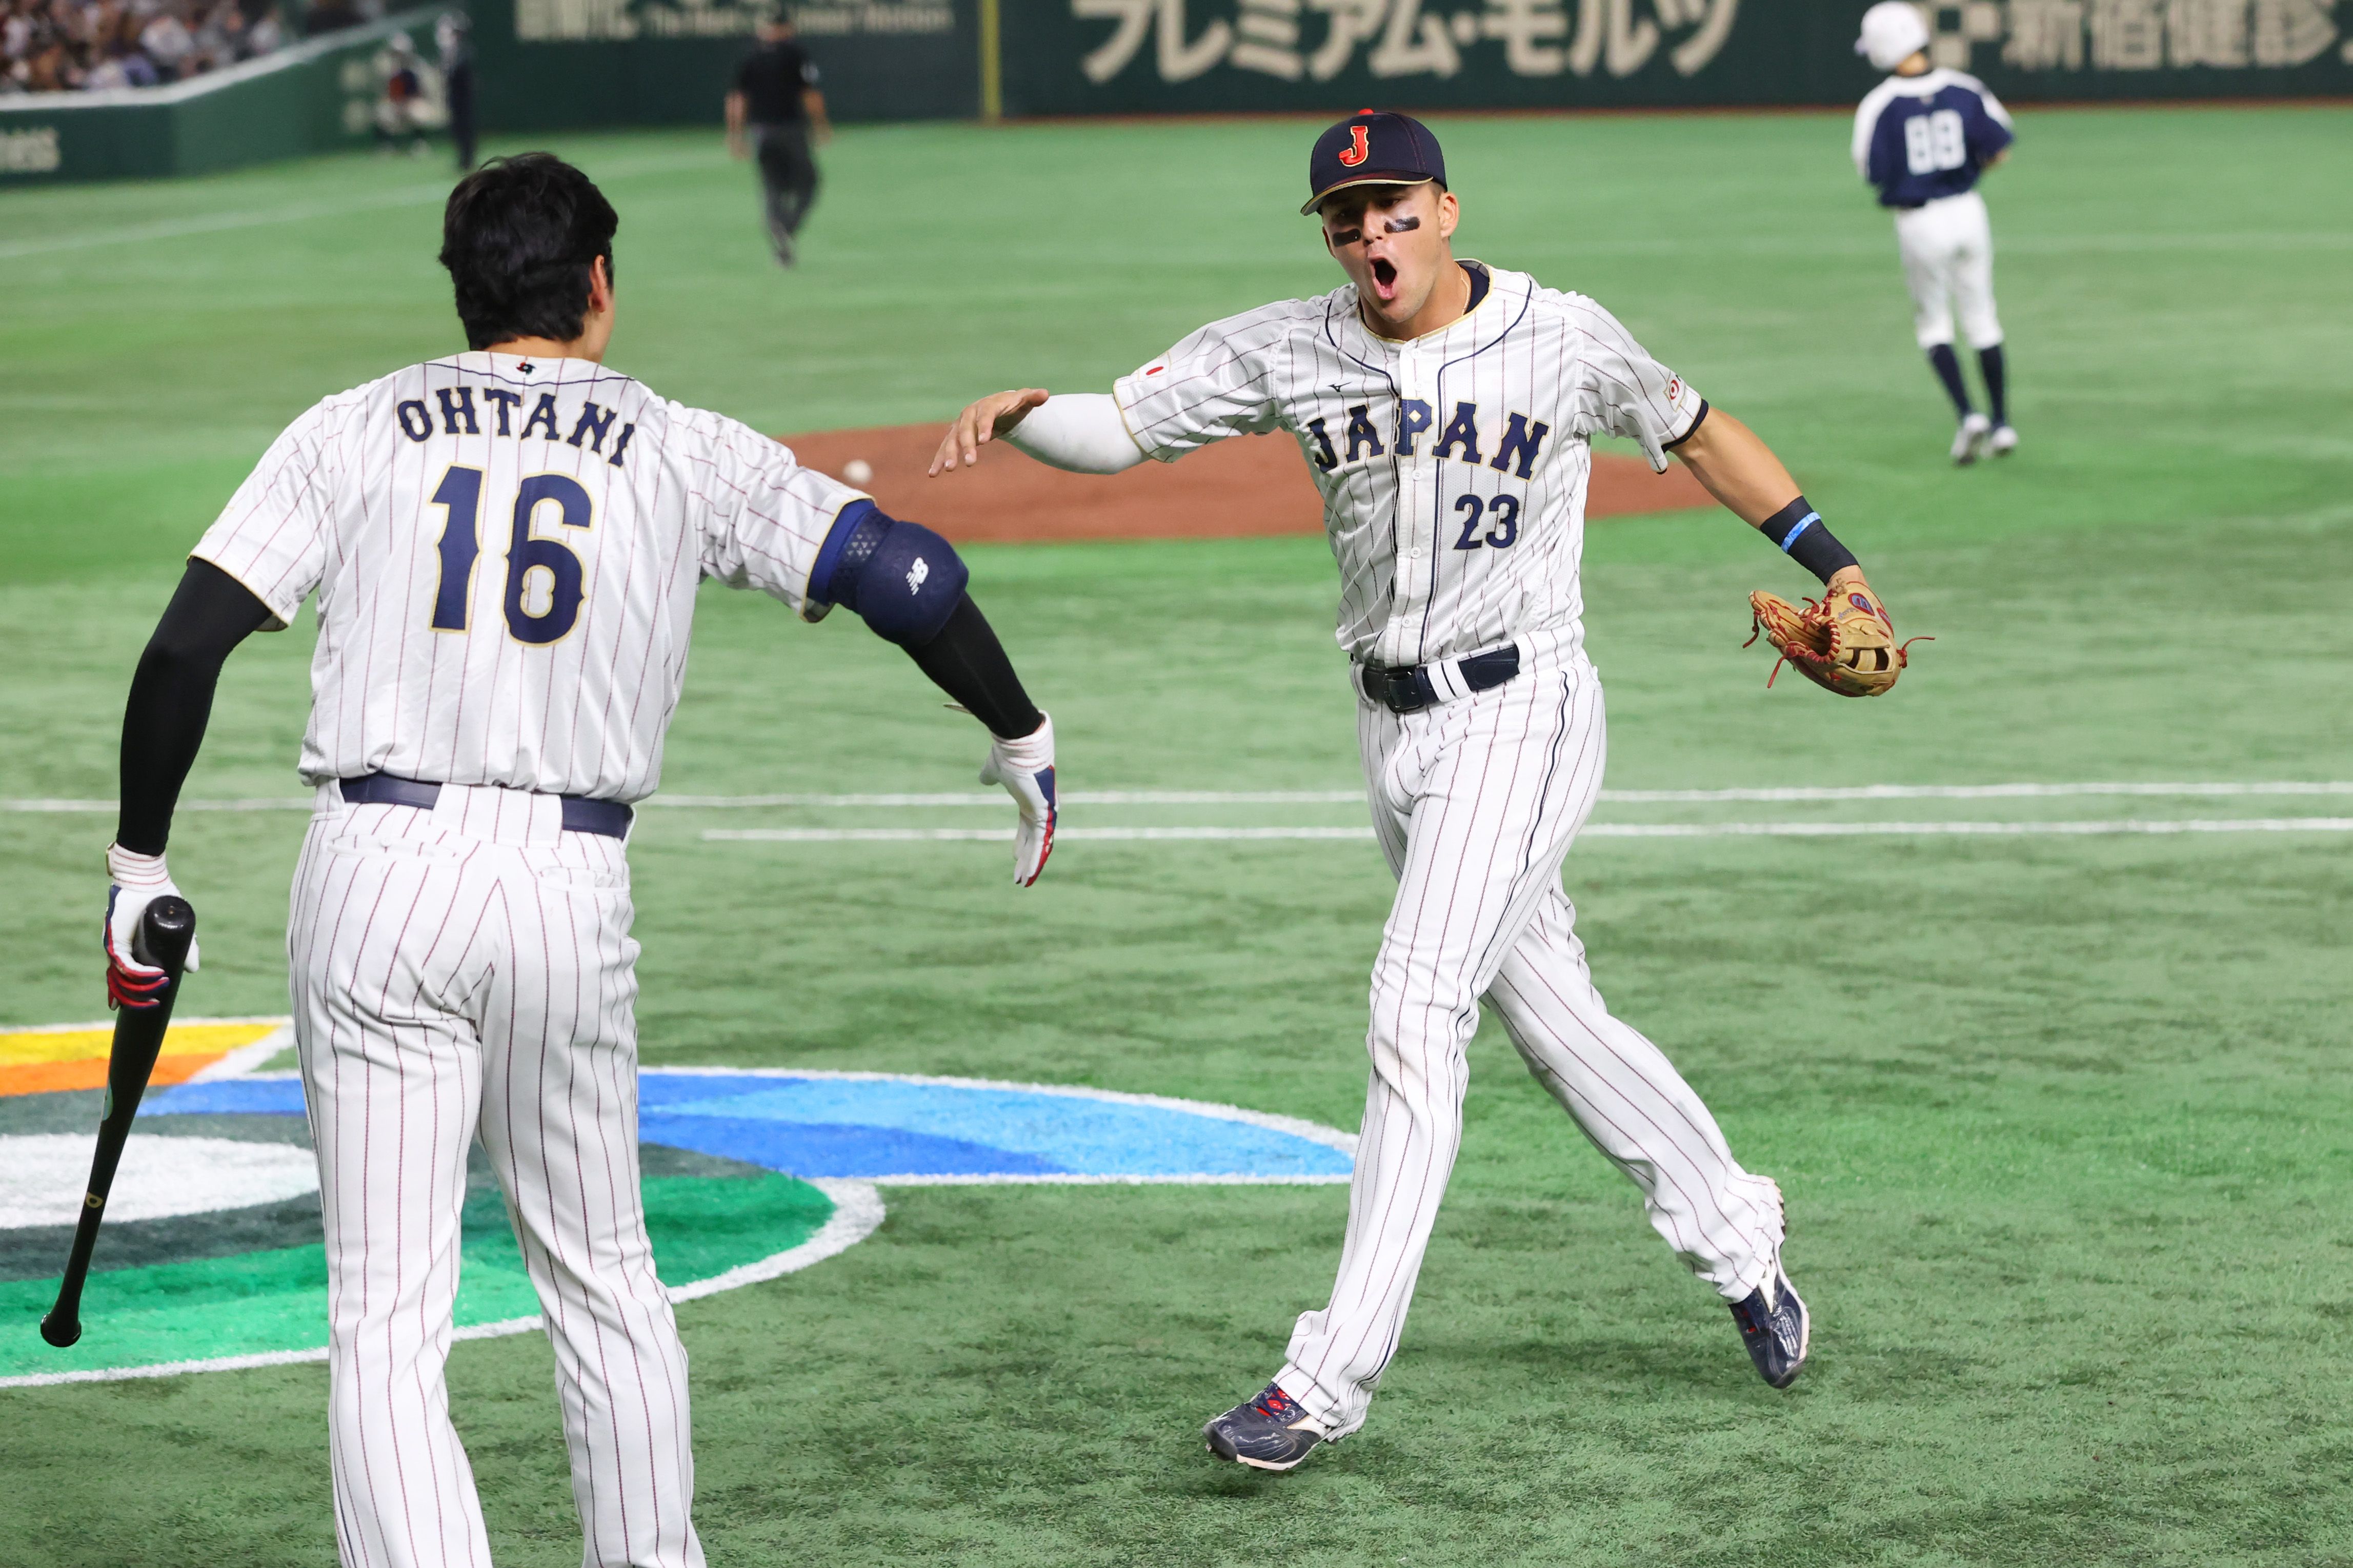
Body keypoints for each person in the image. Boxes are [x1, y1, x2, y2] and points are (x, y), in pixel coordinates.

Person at [100, 152, 1058, 1564]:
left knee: (384, 1313)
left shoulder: (355, 426)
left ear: (460, 287)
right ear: (599, 285)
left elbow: (186, 643)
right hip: (567, 882)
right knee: (604, 1277)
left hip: (372, 873)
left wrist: (140, 862)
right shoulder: (678, 444)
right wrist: (1018, 728)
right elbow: (903, 574)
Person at [933, 110, 1899, 1471]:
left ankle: (1322, 1379)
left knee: (1412, 1004)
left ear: (1446, 211)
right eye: (1346, 216)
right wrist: (1031, 414)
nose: (1371, 234)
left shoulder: (1559, 332)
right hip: (1392, 737)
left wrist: (1832, 560)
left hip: (1527, 709)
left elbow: (1692, 429)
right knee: (1556, 1022)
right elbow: (1128, 425)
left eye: (1394, 208)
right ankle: (1736, 1233)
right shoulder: (1289, 343)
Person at [1853, 1, 2018, 464]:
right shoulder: (1965, 88)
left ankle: (1969, 415)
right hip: (1968, 211)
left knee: (1934, 324)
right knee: (1982, 317)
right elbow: (1999, 148)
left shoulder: (1879, 105)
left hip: (1918, 221)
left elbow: (1871, 171)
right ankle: (2003, 423)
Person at [725, 14, 829, 266]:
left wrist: (735, 135)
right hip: (790, 130)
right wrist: (821, 125)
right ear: (788, 29)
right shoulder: (795, 54)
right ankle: (788, 227)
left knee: (773, 188)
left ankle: (780, 235)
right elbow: (810, 94)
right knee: (809, 183)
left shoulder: (751, 57)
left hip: (761, 133)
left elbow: (737, 100)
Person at [436, 9, 473, 172]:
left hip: (464, 98)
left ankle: (468, 159)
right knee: (457, 129)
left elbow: (459, 72)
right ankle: (462, 159)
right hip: (453, 98)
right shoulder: (448, 53)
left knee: (466, 128)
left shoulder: (464, 51)